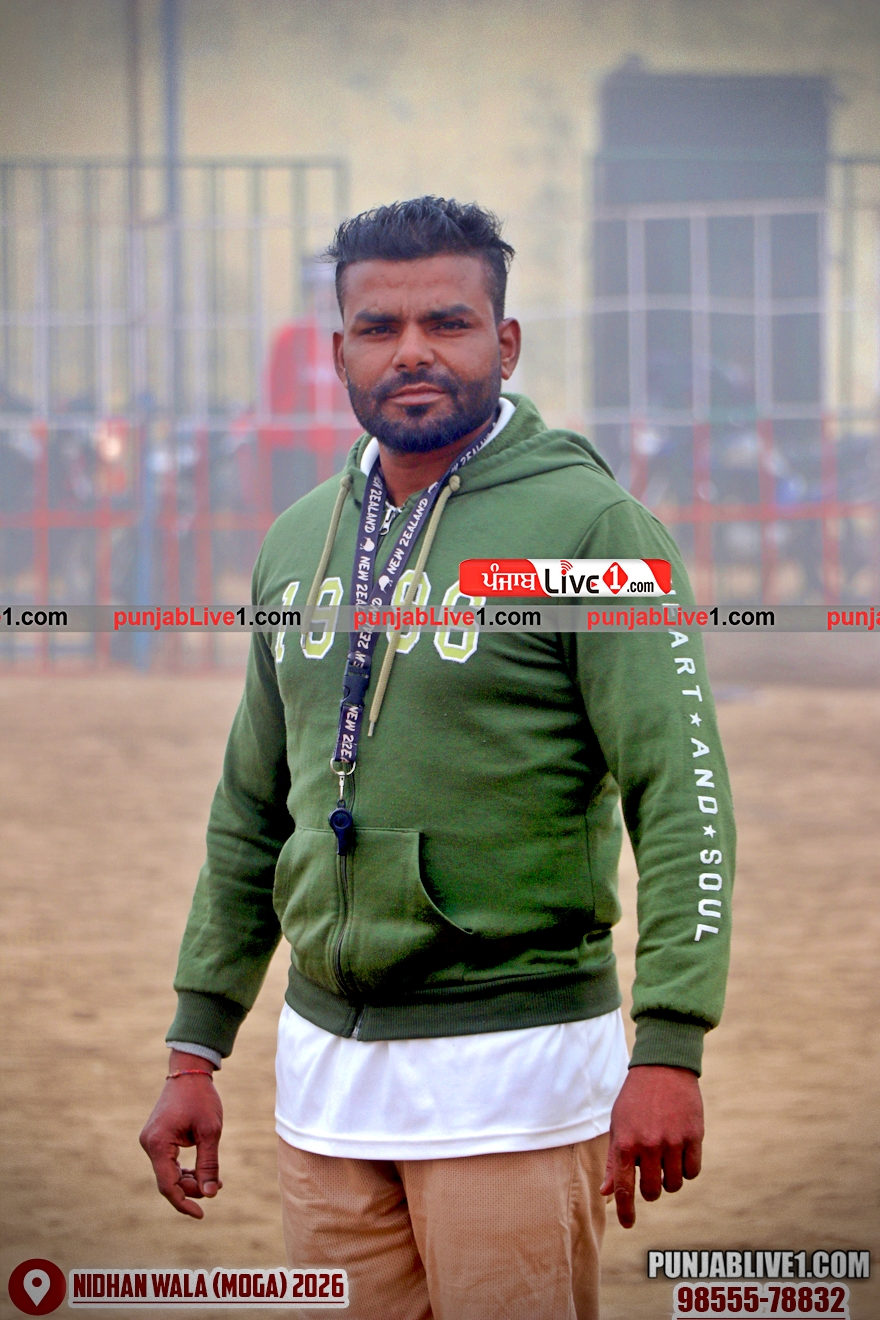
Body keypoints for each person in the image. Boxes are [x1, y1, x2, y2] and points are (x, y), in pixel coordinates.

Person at [140, 196, 735, 1320]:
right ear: (339, 352)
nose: (411, 351)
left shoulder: (592, 532)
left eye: (447, 323)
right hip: (323, 1086)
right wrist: (194, 1048)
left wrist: (669, 1045)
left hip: (513, 1075)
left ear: (504, 344)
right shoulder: (296, 542)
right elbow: (251, 811)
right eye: (379, 327)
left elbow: (682, 796)